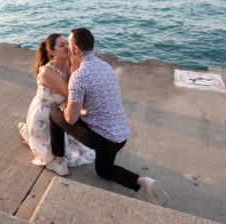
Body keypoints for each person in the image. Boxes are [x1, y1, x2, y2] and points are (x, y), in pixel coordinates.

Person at [48, 28, 169, 206]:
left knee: (54, 117)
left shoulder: (79, 76)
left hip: (101, 138)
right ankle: (145, 182)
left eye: (69, 45)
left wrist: (65, 108)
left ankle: (59, 161)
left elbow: (71, 119)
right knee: (104, 171)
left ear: (75, 50)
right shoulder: (106, 67)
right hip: (120, 136)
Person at [18, 33, 95, 169]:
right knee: (59, 154)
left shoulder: (70, 62)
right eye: (62, 45)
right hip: (45, 116)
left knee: (83, 148)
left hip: (60, 112)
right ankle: (26, 132)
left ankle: (26, 132)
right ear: (51, 52)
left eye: (67, 43)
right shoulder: (47, 72)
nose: (67, 46)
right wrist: (75, 69)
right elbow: (71, 94)